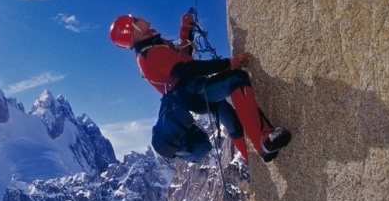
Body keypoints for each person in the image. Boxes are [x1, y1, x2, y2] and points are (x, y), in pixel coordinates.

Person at [109, 12, 291, 162]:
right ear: (133, 30)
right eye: (134, 20)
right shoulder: (149, 55)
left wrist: (186, 29)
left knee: (229, 117)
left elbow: (183, 56)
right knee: (236, 79)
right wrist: (228, 64)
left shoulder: (153, 44)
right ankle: (264, 141)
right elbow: (187, 69)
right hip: (193, 92)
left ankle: (250, 160)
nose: (139, 17)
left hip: (191, 93)